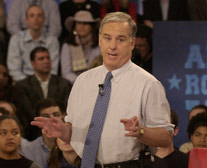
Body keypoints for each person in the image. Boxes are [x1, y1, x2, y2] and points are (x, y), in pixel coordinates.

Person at [32, 12, 173, 168]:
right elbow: (73, 130)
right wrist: (63, 132)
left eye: (120, 39)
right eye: (107, 38)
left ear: (132, 43)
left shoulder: (148, 84)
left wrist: (140, 131)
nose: (112, 46)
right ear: (100, 40)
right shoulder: (83, 81)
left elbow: (166, 137)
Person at [15, 47, 71, 140]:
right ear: (33, 63)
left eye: (48, 58)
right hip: (34, 132)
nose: (46, 61)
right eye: (41, 59)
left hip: (60, 129)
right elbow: (28, 113)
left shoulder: (63, 83)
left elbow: (67, 109)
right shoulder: (22, 86)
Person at [7, 5, 59, 82]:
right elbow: (14, 70)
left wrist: (41, 85)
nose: (36, 19)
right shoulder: (16, 39)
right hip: (22, 83)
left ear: (44, 19)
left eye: (39, 15)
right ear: (26, 20)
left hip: (46, 83)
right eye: (32, 16)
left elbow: (53, 70)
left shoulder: (52, 41)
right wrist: (29, 85)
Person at [21, 98, 65, 168]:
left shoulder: (74, 147)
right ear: (38, 121)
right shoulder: (27, 152)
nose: (51, 120)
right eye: (46, 116)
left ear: (63, 116)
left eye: (56, 115)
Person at [61, 10, 101, 84]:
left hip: (95, 83)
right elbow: (66, 73)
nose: (82, 26)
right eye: (79, 23)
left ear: (91, 27)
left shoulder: (99, 45)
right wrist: (81, 82)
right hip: (73, 85)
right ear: (74, 26)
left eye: (85, 23)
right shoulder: (67, 45)